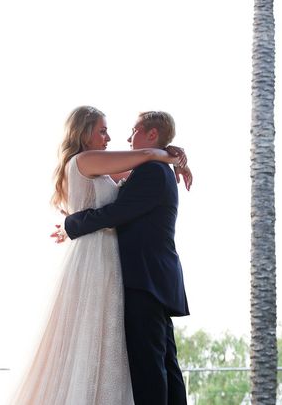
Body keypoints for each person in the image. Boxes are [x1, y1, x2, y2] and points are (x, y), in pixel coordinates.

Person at [11, 106, 191, 405]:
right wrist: (169, 154)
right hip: (103, 263)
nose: (116, 136)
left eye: (132, 130)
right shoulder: (87, 160)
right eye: (103, 130)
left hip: (136, 275)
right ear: (84, 133)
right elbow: (143, 160)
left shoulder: (146, 170)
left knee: (154, 363)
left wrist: (171, 153)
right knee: (149, 361)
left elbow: (118, 208)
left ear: (151, 133)